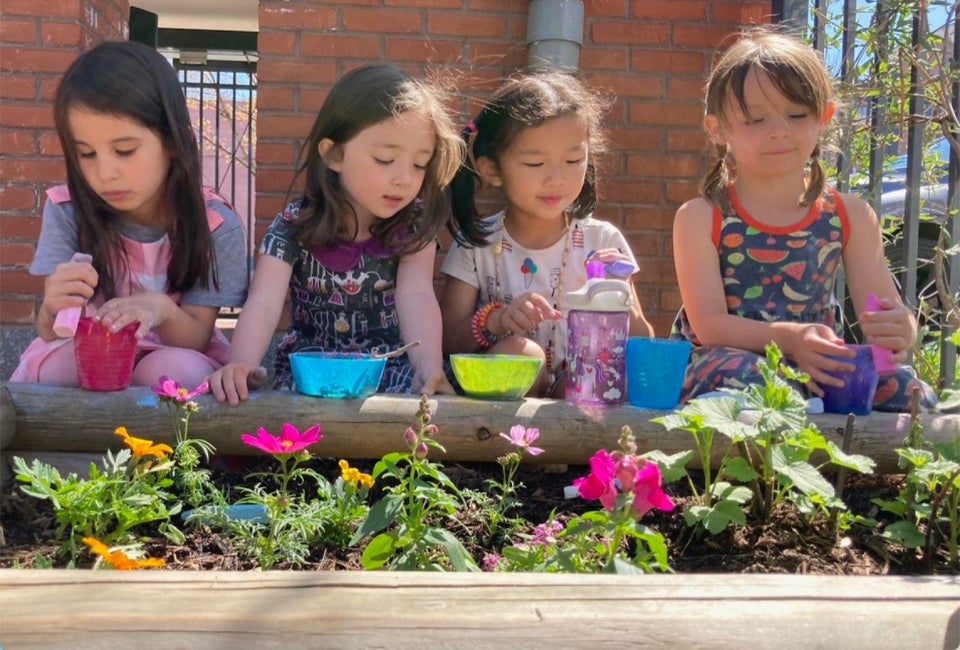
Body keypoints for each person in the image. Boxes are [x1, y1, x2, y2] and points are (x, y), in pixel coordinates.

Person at [671, 27, 937, 412]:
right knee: (753, 380)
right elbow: (709, 326)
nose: (778, 131)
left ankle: (811, 407)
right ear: (717, 129)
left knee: (908, 392)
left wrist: (900, 330)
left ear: (824, 116)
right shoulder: (701, 217)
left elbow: (880, 315)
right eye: (755, 120)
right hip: (726, 360)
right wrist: (792, 339)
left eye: (796, 114)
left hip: (819, 364)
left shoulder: (850, 215)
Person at [207, 64, 462, 405]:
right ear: (333, 154)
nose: (404, 178)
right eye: (385, 159)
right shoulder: (292, 226)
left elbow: (416, 294)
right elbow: (264, 302)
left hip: (387, 368)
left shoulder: (413, 227)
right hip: (310, 370)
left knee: (421, 407)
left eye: (419, 164)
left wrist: (427, 367)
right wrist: (242, 364)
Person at [10, 41, 247, 388]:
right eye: (87, 154)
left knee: (174, 375)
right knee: (63, 370)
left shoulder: (214, 225)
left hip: (173, 351)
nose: (105, 173)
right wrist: (52, 309)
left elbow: (196, 337)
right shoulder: (68, 210)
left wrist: (160, 309)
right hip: (87, 349)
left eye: (124, 150)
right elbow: (51, 331)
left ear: (173, 141)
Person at [440, 71, 654, 398]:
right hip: (503, 405)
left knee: (599, 370)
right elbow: (447, 341)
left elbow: (642, 343)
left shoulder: (602, 240)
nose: (557, 179)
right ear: (492, 169)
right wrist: (496, 322)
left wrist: (619, 295)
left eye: (573, 160)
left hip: (582, 397)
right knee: (521, 354)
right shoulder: (477, 243)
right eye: (535, 163)